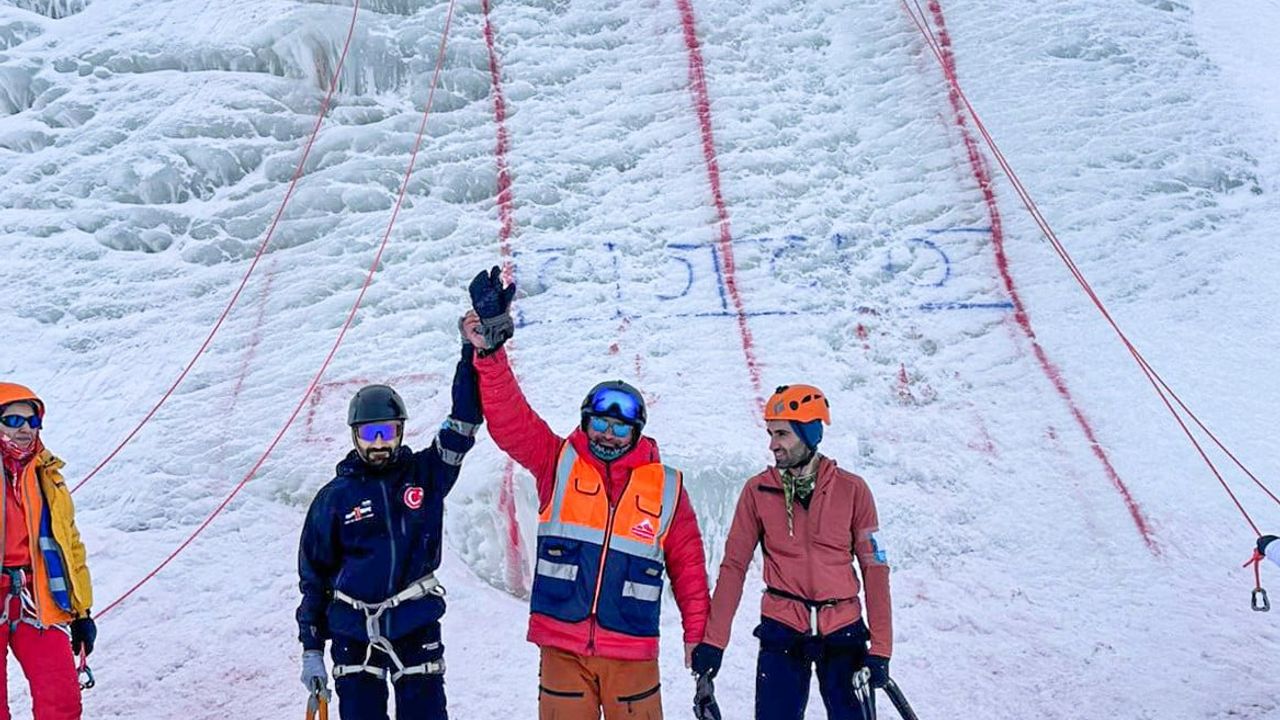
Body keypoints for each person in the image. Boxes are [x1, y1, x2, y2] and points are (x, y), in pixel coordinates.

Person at [460, 266, 711, 720]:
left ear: (636, 433)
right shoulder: (556, 461)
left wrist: (699, 636)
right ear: (584, 421)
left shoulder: (668, 487)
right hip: (563, 649)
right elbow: (510, 421)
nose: (609, 435)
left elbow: (689, 568)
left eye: (620, 427)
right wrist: (491, 352)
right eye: (600, 423)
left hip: (632, 653)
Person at [296, 344, 483, 720]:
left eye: (387, 431)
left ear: (400, 432)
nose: (379, 442)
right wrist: (312, 649)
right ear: (355, 436)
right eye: (370, 433)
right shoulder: (334, 498)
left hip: (415, 621)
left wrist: (471, 353)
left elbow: (463, 422)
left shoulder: (426, 474)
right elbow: (314, 578)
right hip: (353, 630)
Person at [690, 384, 892, 720]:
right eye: (770, 433)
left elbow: (875, 569)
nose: (773, 444)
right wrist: (714, 642)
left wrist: (882, 649)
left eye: (782, 433)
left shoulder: (853, 490)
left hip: (843, 630)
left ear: (809, 431)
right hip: (782, 628)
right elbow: (734, 567)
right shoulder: (758, 491)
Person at [0, 382, 95, 720]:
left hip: (36, 594)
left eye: (31, 421)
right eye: (12, 420)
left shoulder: (47, 476)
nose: (24, 428)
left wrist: (82, 614)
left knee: (62, 703)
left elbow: (70, 545)